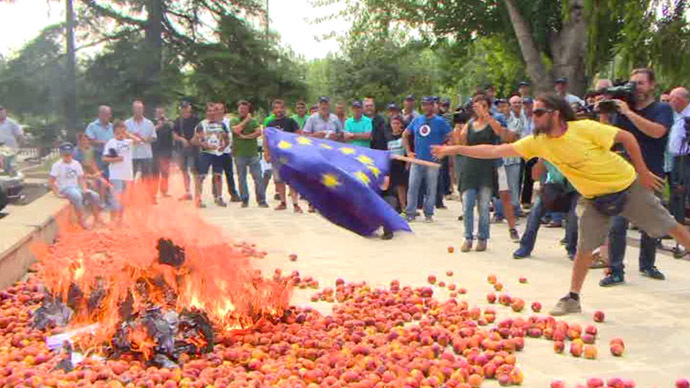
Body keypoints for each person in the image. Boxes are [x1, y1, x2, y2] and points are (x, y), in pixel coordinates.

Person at [431, 94, 690, 316]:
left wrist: (642, 172)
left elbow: (627, 138)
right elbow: (495, 151)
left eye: (539, 112)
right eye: (533, 113)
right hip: (593, 198)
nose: (534, 117)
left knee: (670, 227)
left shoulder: (585, 128)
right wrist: (456, 151)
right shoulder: (538, 142)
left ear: (555, 114)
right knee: (584, 249)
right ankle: (573, 298)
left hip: (626, 186)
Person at [600, 68, 674, 287]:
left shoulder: (662, 108)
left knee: (651, 224)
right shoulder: (623, 110)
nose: (635, 88)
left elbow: (657, 132)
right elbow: (608, 139)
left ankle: (648, 264)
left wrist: (629, 113)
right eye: (633, 84)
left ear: (652, 85)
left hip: (652, 173)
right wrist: (604, 113)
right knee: (617, 223)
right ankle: (615, 270)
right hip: (623, 174)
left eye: (640, 83)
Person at [456, 94, 515, 251]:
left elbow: (501, 133)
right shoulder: (470, 124)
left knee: (483, 205)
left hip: (487, 168)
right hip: (470, 167)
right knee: (467, 204)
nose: (479, 108)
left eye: (483, 105)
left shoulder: (493, 122)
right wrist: (458, 129)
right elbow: (462, 144)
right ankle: (468, 237)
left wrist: (486, 116)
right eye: (476, 105)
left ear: (488, 107)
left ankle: (483, 238)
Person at [513, 158, 578, 260]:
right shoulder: (546, 151)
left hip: (574, 188)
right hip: (552, 185)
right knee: (534, 215)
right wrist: (541, 161)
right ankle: (525, 247)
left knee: (573, 219)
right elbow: (535, 176)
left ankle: (572, 249)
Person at [403, 96, 451, 223]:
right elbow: (405, 134)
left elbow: (450, 136)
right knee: (412, 187)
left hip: (432, 161)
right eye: (424, 104)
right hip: (418, 159)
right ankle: (410, 212)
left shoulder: (440, 121)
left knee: (431, 188)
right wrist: (408, 152)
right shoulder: (417, 120)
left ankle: (429, 213)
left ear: (433, 105)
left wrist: (443, 150)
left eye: (428, 104)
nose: (426, 107)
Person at [50, 142, 102, 228]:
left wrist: (84, 188)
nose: (67, 157)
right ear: (61, 154)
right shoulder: (57, 165)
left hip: (76, 187)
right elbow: (51, 181)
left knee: (95, 196)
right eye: (65, 155)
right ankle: (82, 220)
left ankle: (97, 218)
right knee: (77, 196)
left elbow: (81, 178)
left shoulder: (76, 164)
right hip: (65, 188)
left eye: (69, 154)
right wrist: (57, 193)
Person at [265, 99, 302, 212]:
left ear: (284, 109)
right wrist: (267, 153)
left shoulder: (291, 121)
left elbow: (298, 136)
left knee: (291, 180)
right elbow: (266, 140)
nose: (278, 110)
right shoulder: (270, 124)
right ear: (273, 110)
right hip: (276, 155)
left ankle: (295, 204)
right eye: (276, 108)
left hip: (289, 155)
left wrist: (297, 151)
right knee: (278, 180)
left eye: (280, 107)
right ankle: (283, 202)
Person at [102, 120, 141, 223]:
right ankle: (113, 221)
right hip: (116, 174)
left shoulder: (128, 142)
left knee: (123, 199)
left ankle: (120, 221)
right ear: (114, 131)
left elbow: (138, 141)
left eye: (122, 130)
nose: (121, 132)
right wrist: (115, 159)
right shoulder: (111, 142)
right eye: (118, 130)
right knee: (116, 199)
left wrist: (128, 134)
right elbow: (105, 158)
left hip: (127, 174)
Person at [193, 102, 230, 208]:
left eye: (214, 110)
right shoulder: (201, 125)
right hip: (205, 154)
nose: (212, 113)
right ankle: (198, 199)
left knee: (218, 175)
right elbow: (194, 140)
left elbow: (227, 138)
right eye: (209, 111)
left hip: (218, 153)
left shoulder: (221, 124)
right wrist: (203, 144)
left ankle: (219, 197)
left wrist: (224, 146)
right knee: (201, 177)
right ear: (206, 112)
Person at [231, 101, 268, 208]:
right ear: (238, 109)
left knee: (258, 177)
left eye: (244, 109)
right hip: (239, 154)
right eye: (240, 108)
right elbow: (236, 130)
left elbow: (258, 132)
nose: (242, 110)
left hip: (253, 154)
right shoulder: (234, 120)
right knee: (241, 178)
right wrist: (246, 120)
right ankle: (244, 199)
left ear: (248, 110)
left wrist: (246, 137)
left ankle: (261, 200)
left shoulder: (254, 121)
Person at [125, 100, 157, 203]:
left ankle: (149, 197)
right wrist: (133, 139)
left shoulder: (149, 123)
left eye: (140, 108)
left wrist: (143, 139)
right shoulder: (127, 123)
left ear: (143, 109)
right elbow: (123, 138)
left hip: (146, 154)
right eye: (136, 108)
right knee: (130, 177)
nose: (138, 110)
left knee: (147, 177)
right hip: (132, 155)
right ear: (133, 109)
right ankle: (129, 198)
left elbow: (154, 138)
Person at [667, 88, 690, 229]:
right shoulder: (678, 115)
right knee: (676, 192)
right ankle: (676, 226)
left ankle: (681, 227)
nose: (669, 102)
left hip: (686, 158)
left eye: (671, 99)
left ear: (680, 99)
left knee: (684, 192)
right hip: (677, 157)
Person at [172, 101, 201, 201]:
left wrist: (194, 139)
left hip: (194, 148)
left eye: (187, 108)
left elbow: (200, 132)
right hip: (182, 148)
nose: (185, 110)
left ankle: (198, 194)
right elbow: (174, 134)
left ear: (190, 108)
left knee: (195, 170)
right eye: (183, 108)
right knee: (184, 170)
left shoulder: (196, 120)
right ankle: (187, 192)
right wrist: (182, 139)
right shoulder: (177, 121)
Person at [506, 96, 527, 217]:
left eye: (519, 102)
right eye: (514, 103)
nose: (517, 105)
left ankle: (515, 208)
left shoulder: (523, 117)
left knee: (516, 183)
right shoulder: (507, 119)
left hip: (518, 154)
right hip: (506, 155)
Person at [217, 103, 241, 203]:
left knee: (229, 173)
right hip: (215, 151)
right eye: (217, 109)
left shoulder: (229, 122)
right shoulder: (210, 122)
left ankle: (233, 193)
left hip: (227, 151)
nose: (219, 111)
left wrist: (233, 148)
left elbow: (234, 135)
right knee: (217, 174)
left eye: (221, 109)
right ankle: (217, 194)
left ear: (224, 110)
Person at [387, 116, 409, 213]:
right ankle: (397, 207)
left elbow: (408, 151)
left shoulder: (404, 136)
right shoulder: (388, 136)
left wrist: (408, 163)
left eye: (397, 123)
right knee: (393, 188)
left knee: (402, 187)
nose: (395, 126)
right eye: (393, 123)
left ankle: (405, 208)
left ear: (401, 125)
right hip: (392, 164)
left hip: (402, 164)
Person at [152, 107, 174, 199]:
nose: (160, 114)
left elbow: (172, 134)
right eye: (158, 113)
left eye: (161, 113)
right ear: (155, 114)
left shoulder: (168, 124)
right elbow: (149, 133)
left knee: (165, 173)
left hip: (166, 151)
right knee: (155, 173)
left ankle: (164, 191)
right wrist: (158, 126)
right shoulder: (152, 123)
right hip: (155, 151)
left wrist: (168, 123)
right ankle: (153, 193)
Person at [85, 105, 114, 173]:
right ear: (100, 115)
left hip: (111, 157)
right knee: (99, 179)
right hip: (97, 157)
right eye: (107, 114)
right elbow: (89, 141)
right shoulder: (92, 126)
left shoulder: (112, 126)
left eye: (110, 114)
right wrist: (104, 143)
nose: (109, 116)